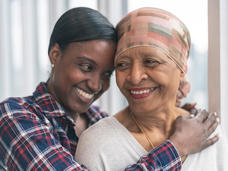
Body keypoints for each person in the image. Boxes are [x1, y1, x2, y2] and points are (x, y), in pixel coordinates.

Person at [0, 7, 219, 171]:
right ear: (55, 55)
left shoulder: (98, 120)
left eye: (107, 74)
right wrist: (177, 147)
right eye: (86, 67)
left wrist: (168, 108)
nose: (96, 85)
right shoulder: (14, 115)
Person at [75, 7, 227, 171]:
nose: (135, 77)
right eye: (122, 64)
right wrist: (177, 147)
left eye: (150, 61)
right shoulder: (97, 144)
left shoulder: (207, 131)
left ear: (182, 68)